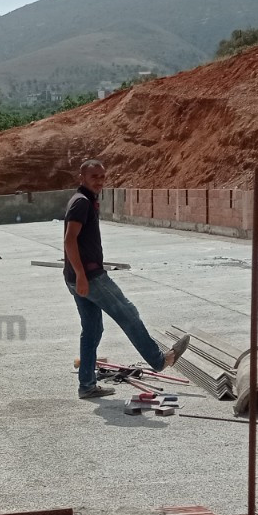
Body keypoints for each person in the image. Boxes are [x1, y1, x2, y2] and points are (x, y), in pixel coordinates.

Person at [63, 159, 190, 399]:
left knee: (92, 331)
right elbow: (70, 240)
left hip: (80, 276)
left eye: (102, 176)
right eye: (94, 176)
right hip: (90, 277)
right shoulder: (80, 203)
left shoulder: (85, 200)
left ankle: (87, 385)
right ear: (82, 177)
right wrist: (81, 275)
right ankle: (160, 360)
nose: (99, 181)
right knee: (128, 314)